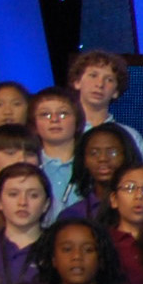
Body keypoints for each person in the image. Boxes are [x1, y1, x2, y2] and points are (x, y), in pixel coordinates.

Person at [0, 164, 51, 284]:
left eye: (33, 195)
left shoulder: (56, 250)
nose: (23, 202)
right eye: (13, 194)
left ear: (46, 204)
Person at [66, 49, 143, 160]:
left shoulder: (130, 136)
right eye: (93, 75)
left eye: (109, 79)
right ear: (77, 82)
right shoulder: (61, 129)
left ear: (116, 91)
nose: (99, 84)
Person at [30, 87, 85, 218]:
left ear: (77, 121)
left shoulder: (89, 165)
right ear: (34, 124)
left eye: (63, 114)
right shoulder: (28, 165)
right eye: (45, 114)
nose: (54, 119)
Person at [72, 124, 136, 228]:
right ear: (84, 160)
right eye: (94, 153)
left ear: (126, 156)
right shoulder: (74, 215)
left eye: (112, 152)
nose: (103, 159)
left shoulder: (141, 210)